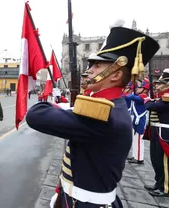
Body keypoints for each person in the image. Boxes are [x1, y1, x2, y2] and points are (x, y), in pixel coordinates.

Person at [26, 25, 159, 207]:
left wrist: (54, 103)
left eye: (97, 66)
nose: (89, 70)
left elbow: (35, 115)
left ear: (116, 75)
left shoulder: (102, 116)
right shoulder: (109, 106)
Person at [144, 68, 169, 197]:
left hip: (164, 133)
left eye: (160, 84)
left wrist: (149, 101)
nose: (157, 86)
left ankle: (165, 188)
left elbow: (152, 107)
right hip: (156, 130)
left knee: (163, 163)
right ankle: (158, 183)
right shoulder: (161, 98)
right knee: (155, 160)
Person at [125, 77, 150, 164]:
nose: (137, 89)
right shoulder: (139, 95)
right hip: (136, 119)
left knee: (139, 140)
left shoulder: (143, 96)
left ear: (145, 90)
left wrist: (127, 92)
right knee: (135, 139)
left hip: (140, 120)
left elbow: (130, 97)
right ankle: (136, 156)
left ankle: (140, 158)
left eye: (139, 88)